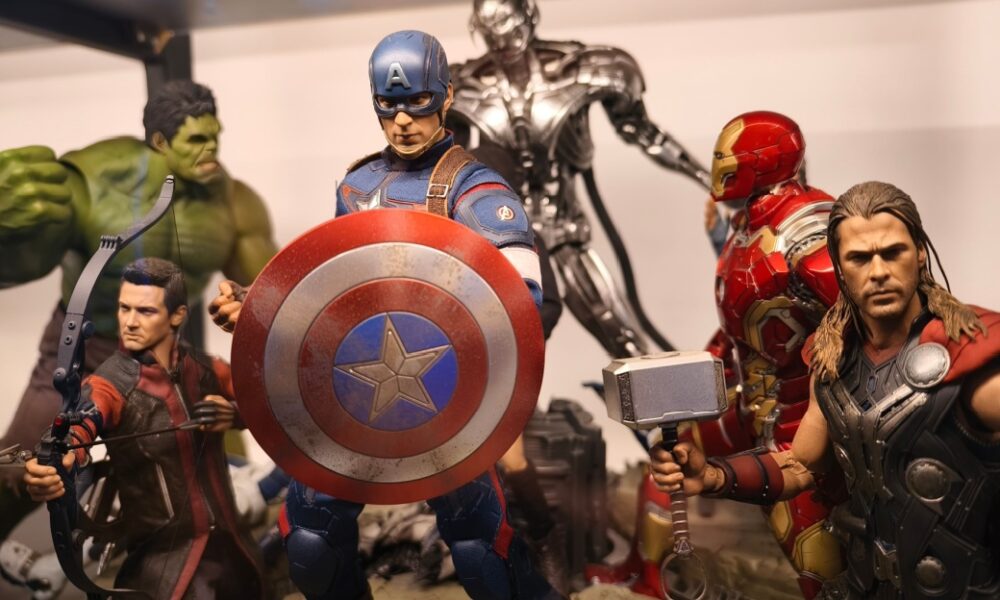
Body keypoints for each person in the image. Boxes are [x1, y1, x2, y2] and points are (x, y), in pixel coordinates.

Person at [210, 30, 560, 600]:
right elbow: (332, 289)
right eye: (388, 105)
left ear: (447, 96)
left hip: (445, 404)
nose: (402, 121)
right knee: (311, 545)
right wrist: (260, 303)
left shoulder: (476, 192)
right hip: (356, 400)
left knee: (481, 554)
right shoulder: (359, 186)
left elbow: (520, 308)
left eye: (417, 102)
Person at [651, 181, 1000, 599]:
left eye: (893, 252)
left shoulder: (970, 356)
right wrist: (713, 475)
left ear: (920, 252)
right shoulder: (833, 361)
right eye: (860, 258)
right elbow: (801, 466)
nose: (878, 272)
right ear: (838, 266)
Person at [0, 80, 278, 541]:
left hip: (167, 357)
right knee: (21, 471)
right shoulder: (97, 180)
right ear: (161, 142)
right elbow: (20, 260)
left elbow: (274, 296)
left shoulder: (233, 204)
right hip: (81, 351)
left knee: (223, 477)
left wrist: (246, 302)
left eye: (215, 137)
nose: (210, 150)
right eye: (196, 140)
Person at [594, 112, 844, 598]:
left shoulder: (812, 229)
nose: (719, 167)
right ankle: (649, 579)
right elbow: (747, 316)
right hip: (749, 403)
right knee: (668, 458)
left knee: (812, 551)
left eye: (729, 157)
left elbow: (860, 324)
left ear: (763, 162)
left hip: (802, 425)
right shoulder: (748, 222)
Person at [449, 0, 711, 359]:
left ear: (528, 18)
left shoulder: (585, 70)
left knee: (623, 339)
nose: (503, 45)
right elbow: (451, 170)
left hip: (563, 230)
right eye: (492, 36)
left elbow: (646, 135)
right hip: (505, 235)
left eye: (510, 33)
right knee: (494, 345)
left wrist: (711, 181)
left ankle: (659, 395)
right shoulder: (463, 88)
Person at [23, 258, 266, 599]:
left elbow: (272, 407)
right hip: (165, 567)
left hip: (237, 553)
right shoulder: (110, 384)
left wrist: (235, 413)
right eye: (125, 308)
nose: (130, 322)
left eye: (146, 311)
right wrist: (55, 463)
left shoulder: (206, 369)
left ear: (177, 315)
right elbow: (79, 425)